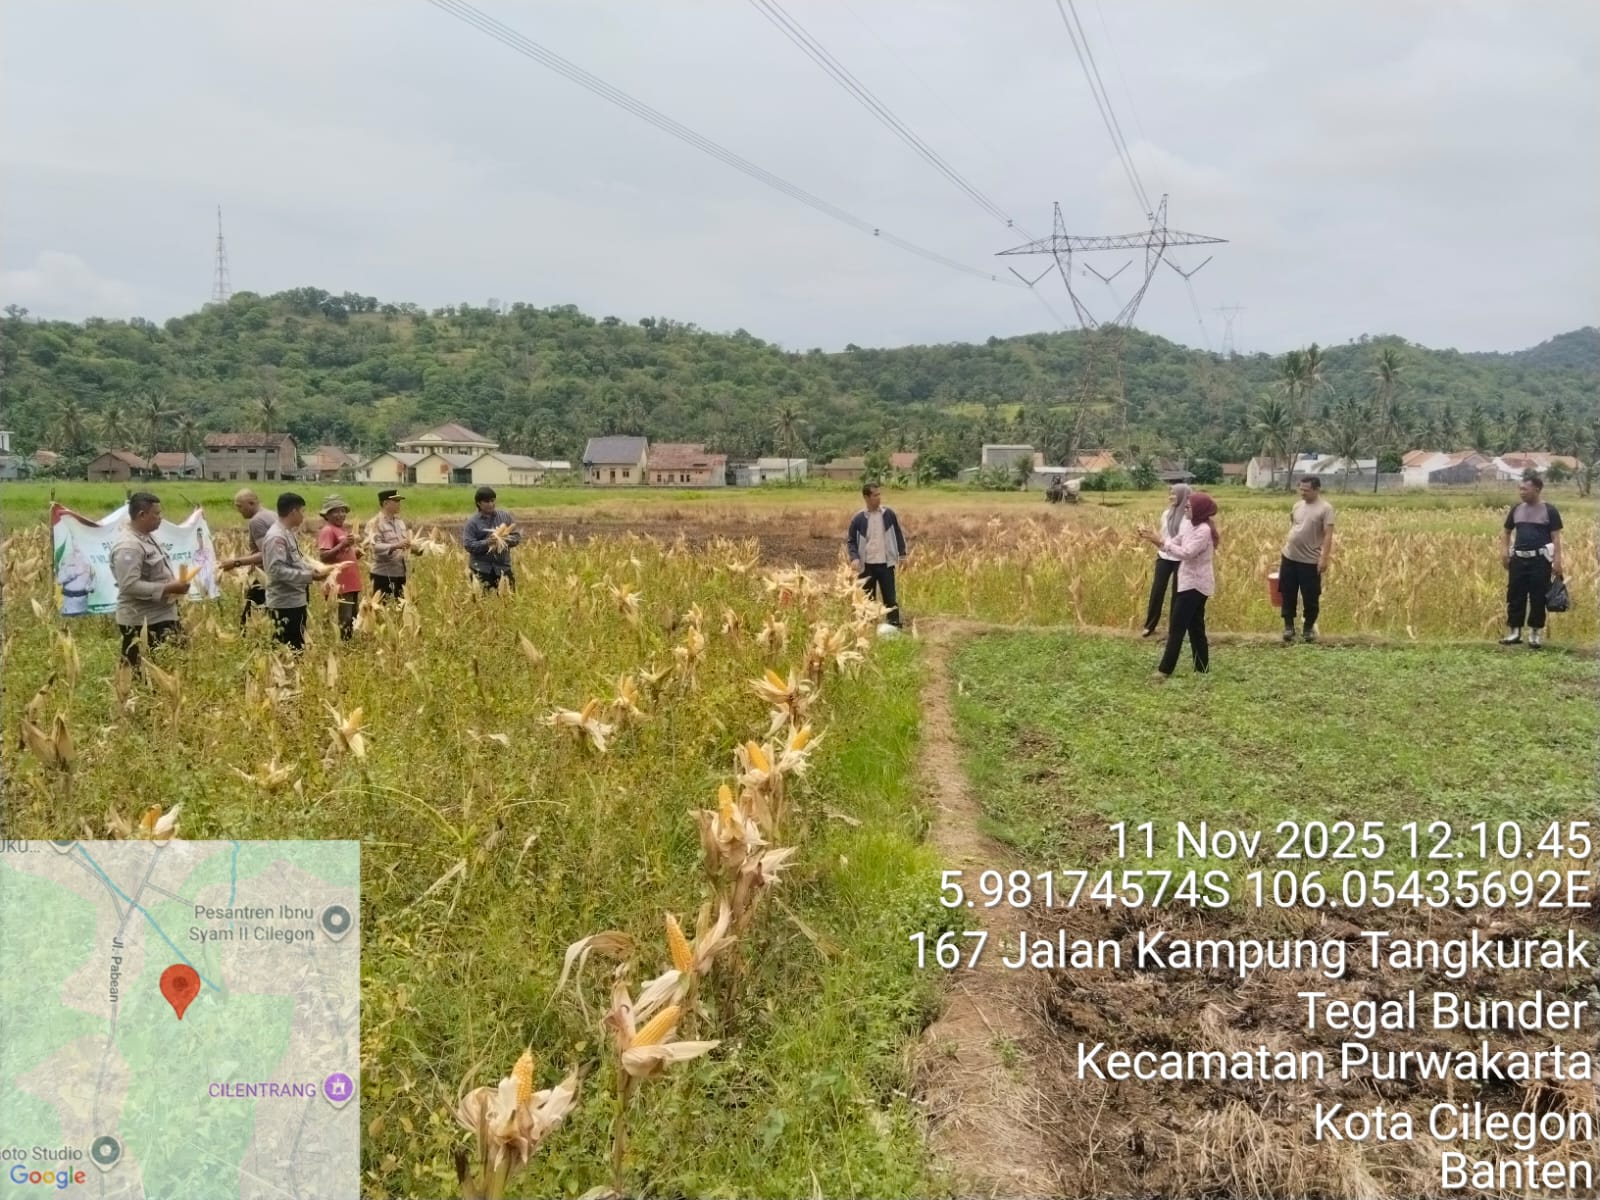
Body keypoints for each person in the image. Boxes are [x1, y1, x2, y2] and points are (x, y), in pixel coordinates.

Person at [1137, 491, 1218, 681]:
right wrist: (1156, 540)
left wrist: (1161, 542)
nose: (1185, 509)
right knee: (1196, 627)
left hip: (1195, 585)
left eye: (1189, 507)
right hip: (1187, 581)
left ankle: (1164, 670)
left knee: (1177, 628)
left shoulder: (1203, 530)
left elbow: (1187, 553)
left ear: (1199, 509)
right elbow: (1177, 541)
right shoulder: (1189, 524)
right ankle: (1202, 668)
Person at [109, 492, 190, 666]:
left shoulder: (147, 536)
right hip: (142, 622)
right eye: (157, 513)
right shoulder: (129, 546)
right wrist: (169, 588)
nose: (161, 517)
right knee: (142, 672)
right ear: (142, 515)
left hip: (162, 615)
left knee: (176, 665)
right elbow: (129, 585)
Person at [1500, 475, 1564, 648]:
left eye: (1525, 489)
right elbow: (1506, 531)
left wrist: (1557, 561)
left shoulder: (1549, 510)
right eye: (1520, 489)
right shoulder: (1516, 509)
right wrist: (1504, 553)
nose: (1521, 492)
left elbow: (1556, 537)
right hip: (1518, 560)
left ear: (1537, 489)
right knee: (1515, 595)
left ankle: (1535, 633)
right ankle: (1514, 632)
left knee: (1538, 597)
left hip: (1540, 560)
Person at [260, 492, 325, 651]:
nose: (304, 516)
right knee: (288, 649)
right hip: (284, 604)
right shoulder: (276, 537)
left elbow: (297, 561)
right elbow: (276, 570)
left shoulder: (288, 533)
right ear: (294, 512)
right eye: (302, 511)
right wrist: (309, 576)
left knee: (297, 645)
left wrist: (315, 569)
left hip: (295, 600)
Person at [1278, 476, 1335, 643]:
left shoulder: (1326, 509)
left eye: (1306, 490)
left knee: (1311, 596)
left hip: (1310, 561)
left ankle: (1308, 628)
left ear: (1316, 490)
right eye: (1301, 489)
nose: (1302, 493)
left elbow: (1328, 535)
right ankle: (1288, 627)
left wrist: (1324, 558)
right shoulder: (1297, 505)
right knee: (1287, 592)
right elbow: (1294, 525)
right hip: (1289, 556)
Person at [846, 482, 909, 627]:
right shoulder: (858, 519)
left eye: (879, 494)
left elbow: (898, 534)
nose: (879, 498)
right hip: (866, 566)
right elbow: (851, 541)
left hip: (886, 565)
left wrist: (902, 555)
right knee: (868, 600)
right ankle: (869, 627)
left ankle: (894, 626)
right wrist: (854, 557)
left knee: (890, 598)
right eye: (875, 495)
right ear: (866, 497)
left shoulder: (888, 515)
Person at [219, 489, 278, 626]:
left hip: (266, 576)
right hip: (279, 575)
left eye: (240, 506)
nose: (238, 510)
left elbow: (267, 554)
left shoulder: (256, 521)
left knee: (248, 621)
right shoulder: (272, 515)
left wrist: (236, 562)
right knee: (274, 617)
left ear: (251, 503)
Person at [1141, 483, 1191, 637]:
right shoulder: (1166, 514)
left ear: (1183, 496)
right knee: (1157, 590)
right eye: (1170, 493)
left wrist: (1167, 544)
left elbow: (1186, 542)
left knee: (1178, 593)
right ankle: (1149, 626)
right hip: (1164, 556)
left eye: (1174, 494)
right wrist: (1150, 536)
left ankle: (1174, 629)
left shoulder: (1189, 518)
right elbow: (1163, 537)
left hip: (1180, 558)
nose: (1171, 497)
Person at [315, 495, 363, 640]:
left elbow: (341, 553)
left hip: (351, 584)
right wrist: (342, 545)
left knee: (352, 618)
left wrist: (355, 554)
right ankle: (342, 646)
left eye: (343, 511)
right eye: (335, 511)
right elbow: (323, 556)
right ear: (327, 515)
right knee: (344, 620)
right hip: (339, 585)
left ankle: (348, 646)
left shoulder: (342, 530)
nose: (340, 514)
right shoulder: (328, 530)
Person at [462, 486, 522, 591]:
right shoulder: (472, 523)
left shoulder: (504, 517)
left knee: (509, 598)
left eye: (492, 500)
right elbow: (468, 545)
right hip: (481, 570)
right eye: (487, 502)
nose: (491, 504)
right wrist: (488, 542)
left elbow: (517, 537)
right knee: (483, 600)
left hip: (503, 568)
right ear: (478, 503)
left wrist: (505, 539)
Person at [369, 489, 418, 602]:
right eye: (396, 501)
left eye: (399, 501)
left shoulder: (399, 522)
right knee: (382, 608)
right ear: (385, 503)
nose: (399, 504)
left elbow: (404, 545)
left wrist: (414, 548)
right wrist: (395, 546)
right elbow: (374, 547)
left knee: (400, 607)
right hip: (383, 575)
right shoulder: (375, 523)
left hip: (401, 573)